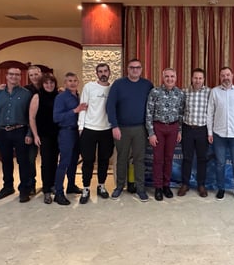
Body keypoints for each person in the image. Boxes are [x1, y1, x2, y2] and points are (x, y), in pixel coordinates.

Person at [106, 58, 153, 202]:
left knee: (139, 159)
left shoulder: (147, 85)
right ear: (127, 69)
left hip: (140, 129)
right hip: (122, 129)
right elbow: (110, 106)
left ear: (141, 69)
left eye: (137, 67)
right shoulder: (118, 84)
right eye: (132, 67)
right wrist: (114, 125)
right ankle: (120, 186)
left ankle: (140, 189)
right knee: (122, 158)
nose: (135, 70)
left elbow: (152, 106)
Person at [0, 67, 33, 203]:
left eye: (17, 75)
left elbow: (31, 115)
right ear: (6, 76)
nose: (14, 77)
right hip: (2, 131)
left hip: (20, 130)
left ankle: (24, 189)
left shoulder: (26, 94)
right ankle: (8, 187)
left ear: (21, 77)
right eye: (11, 74)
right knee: (6, 161)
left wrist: (29, 133)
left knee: (23, 161)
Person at [207, 66, 234, 202]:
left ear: (232, 76)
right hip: (218, 134)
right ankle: (221, 189)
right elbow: (210, 113)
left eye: (228, 75)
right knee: (220, 164)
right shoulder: (214, 92)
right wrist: (209, 132)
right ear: (220, 77)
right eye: (223, 75)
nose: (226, 77)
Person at [78, 63, 115, 204]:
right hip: (89, 128)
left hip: (107, 129)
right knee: (88, 160)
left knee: (104, 160)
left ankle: (101, 186)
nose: (103, 73)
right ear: (97, 74)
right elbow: (83, 107)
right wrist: (81, 127)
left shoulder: (113, 89)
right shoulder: (89, 87)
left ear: (109, 72)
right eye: (100, 71)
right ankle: (86, 188)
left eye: (105, 71)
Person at [146, 68, 185, 201]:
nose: (170, 79)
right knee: (158, 159)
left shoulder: (180, 93)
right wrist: (151, 133)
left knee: (169, 158)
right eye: (167, 76)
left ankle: (166, 185)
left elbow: (181, 113)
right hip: (158, 128)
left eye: (172, 76)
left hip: (173, 128)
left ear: (176, 78)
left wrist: (179, 130)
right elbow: (149, 113)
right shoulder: (155, 92)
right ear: (163, 78)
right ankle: (158, 187)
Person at [52, 72, 86, 205]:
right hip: (66, 132)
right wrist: (75, 111)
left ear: (78, 82)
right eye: (69, 81)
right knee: (64, 162)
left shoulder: (79, 96)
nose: (72, 83)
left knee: (74, 161)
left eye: (74, 80)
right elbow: (56, 117)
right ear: (65, 83)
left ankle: (71, 186)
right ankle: (58, 192)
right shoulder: (61, 97)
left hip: (77, 132)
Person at [179, 68, 211, 198]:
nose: (197, 80)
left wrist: (210, 132)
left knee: (202, 159)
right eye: (195, 78)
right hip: (187, 128)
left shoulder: (209, 92)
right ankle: (185, 184)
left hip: (202, 130)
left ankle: (201, 185)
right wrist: (179, 130)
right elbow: (180, 112)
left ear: (204, 79)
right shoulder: (184, 92)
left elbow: (212, 112)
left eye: (200, 78)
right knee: (187, 158)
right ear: (191, 78)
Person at [29, 72, 59, 204]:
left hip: (57, 134)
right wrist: (35, 135)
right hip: (44, 135)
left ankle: (53, 185)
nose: (49, 85)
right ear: (42, 84)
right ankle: (46, 189)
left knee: (54, 161)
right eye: (46, 83)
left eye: (51, 83)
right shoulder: (37, 96)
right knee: (46, 162)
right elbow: (32, 118)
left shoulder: (58, 95)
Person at [25, 65, 42, 195]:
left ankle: (49, 184)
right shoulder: (25, 91)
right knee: (30, 159)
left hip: (47, 129)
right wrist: (29, 133)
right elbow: (25, 113)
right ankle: (31, 185)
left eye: (36, 74)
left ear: (40, 73)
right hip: (30, 129)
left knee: (48, 159)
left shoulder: (49, 86)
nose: (34, 77)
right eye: (31, 75)